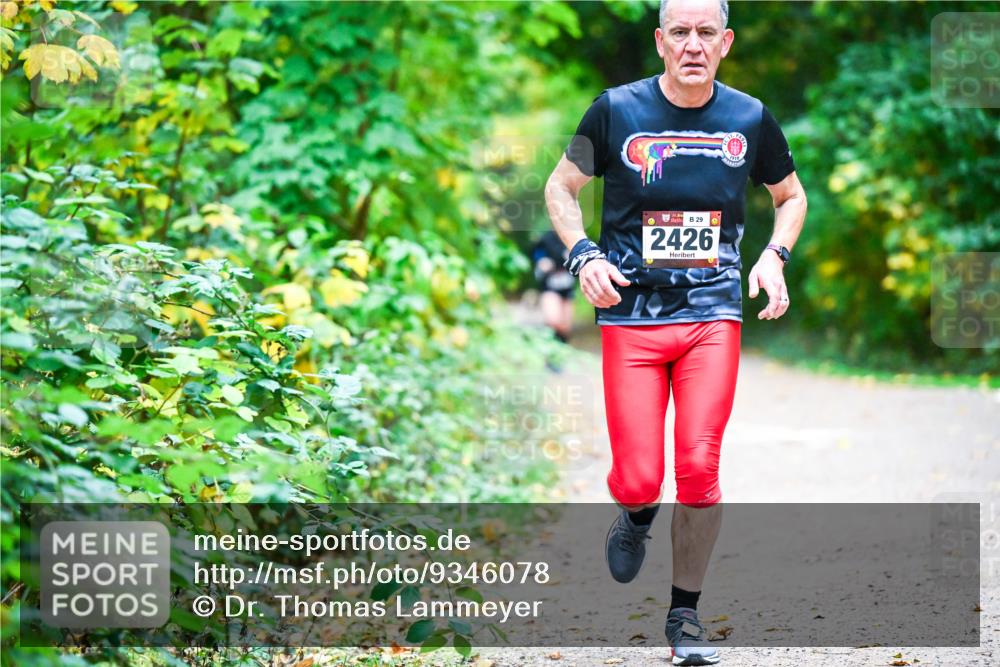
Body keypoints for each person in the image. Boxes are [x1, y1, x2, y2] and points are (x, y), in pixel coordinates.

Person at [543, 0, 807, 664]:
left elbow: (791, 196)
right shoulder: (613, 111)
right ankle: (635, 514)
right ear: (660, 41)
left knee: (698, 466)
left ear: (726, 42)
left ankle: (684, 616)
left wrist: (774, 256)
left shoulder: (750, 118)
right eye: (680, 32)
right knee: (639, 479)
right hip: (630, 316)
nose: (693, 44)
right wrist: (584, 255)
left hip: (711, 313)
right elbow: (561, 187)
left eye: (706, 32)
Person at [531, 229, 577, 344]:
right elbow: (536, 254)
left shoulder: (574, 236)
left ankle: (561, 349)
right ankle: (550, 348)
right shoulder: (545, 238)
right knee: (553, 320)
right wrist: (541, 261)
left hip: (567, 288)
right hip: (550, 286)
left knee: (565, 327)